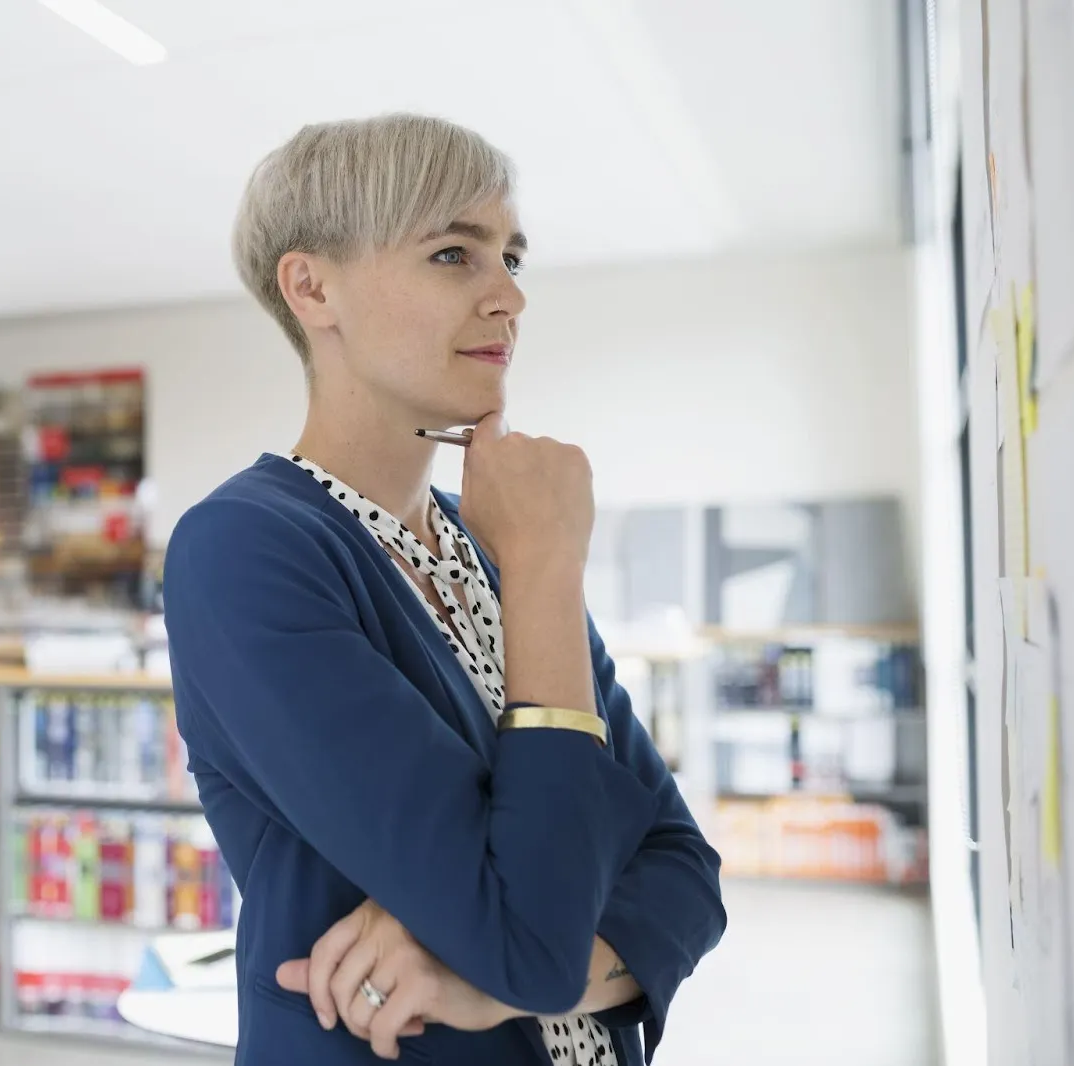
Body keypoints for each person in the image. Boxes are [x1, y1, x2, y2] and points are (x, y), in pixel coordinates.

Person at [163, 113, 726, 1065]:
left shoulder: (493, 541)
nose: (509, 295)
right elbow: (532, 936)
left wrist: (489, 977)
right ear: (312, 287)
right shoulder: (247, 548)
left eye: (511, 255)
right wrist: (547, 568)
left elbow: (685, 873)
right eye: (454, 254)